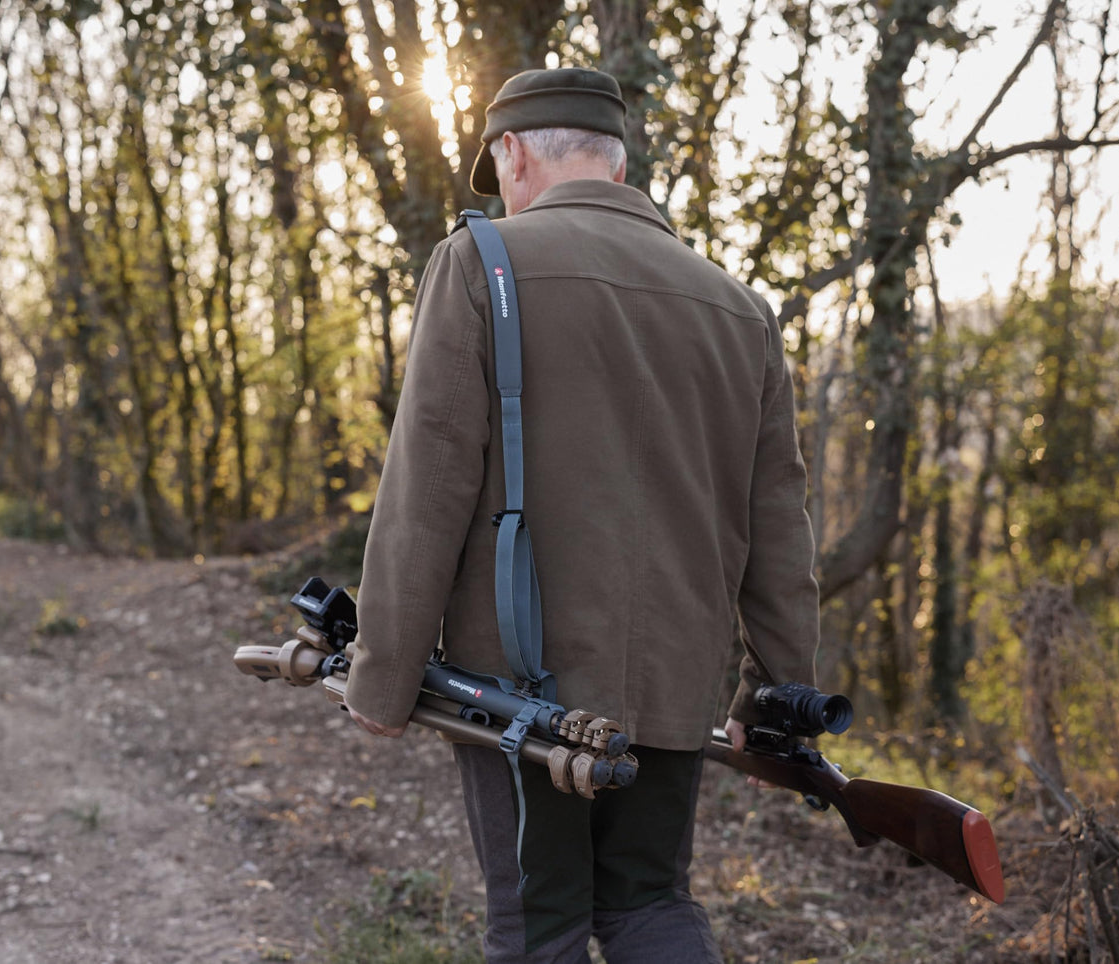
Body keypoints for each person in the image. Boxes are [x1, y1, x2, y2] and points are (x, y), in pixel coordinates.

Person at [341, 66, 820, 964]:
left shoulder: (481, 260)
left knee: (539, 925)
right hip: (674, 682)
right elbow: (779, 526)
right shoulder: (738, 309)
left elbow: (428, 484)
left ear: (513, 153)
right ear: (615, 162)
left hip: (520, 684)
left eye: (501, 168)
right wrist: (773, 690)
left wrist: (383, 673)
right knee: (649, 904)